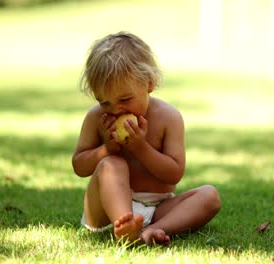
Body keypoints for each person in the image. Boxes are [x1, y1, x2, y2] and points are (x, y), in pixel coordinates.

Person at [72, 32, 221, 245]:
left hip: (158, 208)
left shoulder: (169, 118)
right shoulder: (97, 118)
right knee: (112, 163)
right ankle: (124, 225)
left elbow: (174, 174)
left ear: (148, 84)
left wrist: (141, 148)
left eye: (124, 99)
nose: (114, 110)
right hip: (105, 211)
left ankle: (152, 230)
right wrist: (106, 149)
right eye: (104, 102)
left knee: (210, 196)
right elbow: (79, 166)